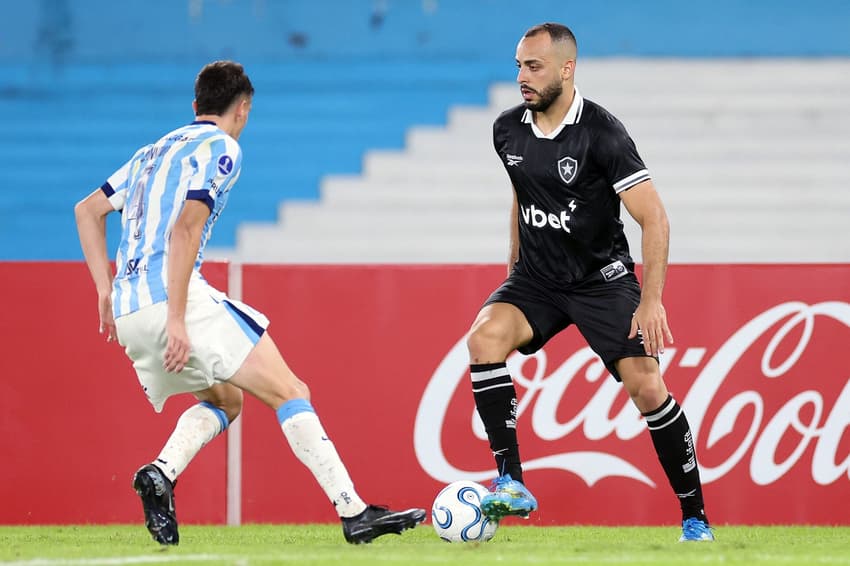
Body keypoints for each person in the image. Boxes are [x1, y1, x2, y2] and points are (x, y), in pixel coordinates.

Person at [74, 60, 425, 545]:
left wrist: (104, 289)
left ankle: (161, 473)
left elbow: (87, 210)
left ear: (195, 106)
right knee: (290, 390)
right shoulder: (223, 148)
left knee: (226, 399)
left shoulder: (151, 152)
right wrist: (176, 318)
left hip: (130, 310)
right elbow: (186, 229)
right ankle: (355, 513)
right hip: (172, 302)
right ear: (242, 109)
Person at [467, 23, 714, 542]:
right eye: (518, 66)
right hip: (537, 279)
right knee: (483, 337)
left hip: (602, 281)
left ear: (566, 68)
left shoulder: (603, 133)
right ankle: (511, 481)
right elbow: (522, 190)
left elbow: (656, 219)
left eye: (534, 67)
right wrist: (512, 263)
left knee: (647, 388)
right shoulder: (506, 130)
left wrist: (651, 302)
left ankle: (695, 517)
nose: (522, 78)